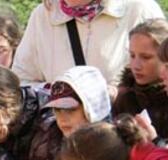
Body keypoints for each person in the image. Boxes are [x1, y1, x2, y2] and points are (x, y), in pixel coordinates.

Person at [12, 0, 164, 95]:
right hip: (64, 136)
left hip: (127, 134)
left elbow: (163, 75)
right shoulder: (43, 15)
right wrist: (60, 94)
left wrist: (118, 95)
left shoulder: (139, 8)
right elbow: (20, 82)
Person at [113, 19, 168, 140]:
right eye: (132, 55)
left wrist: (155, 142)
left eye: (146, 57)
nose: (136, 65)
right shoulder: (123, 98)